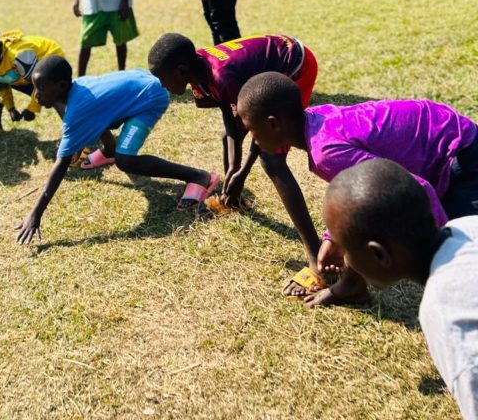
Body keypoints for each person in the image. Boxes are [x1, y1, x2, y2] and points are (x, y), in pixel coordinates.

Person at [236, 72, 478, 307]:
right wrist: (334, 237)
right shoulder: (317, 120)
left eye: (252, 130)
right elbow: (360, 197)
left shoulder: (326, 151)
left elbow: (414, 188)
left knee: (463, 255)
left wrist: (443, 260)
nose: (253, 139)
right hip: (443, 132)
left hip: (461, 153)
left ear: (273, 124)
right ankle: (351, 287)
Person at [147, 31, 320, 283]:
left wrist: (243, 171)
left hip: (295, 64)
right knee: (227, 138)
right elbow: (229, 116)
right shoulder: (198, 69)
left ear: (181, 71)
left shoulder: (220, 76)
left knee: (272, 160)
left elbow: (259, 129)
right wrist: (232, 169)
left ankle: (315, 254)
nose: (162, 86)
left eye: (162, 79)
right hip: (268, 63)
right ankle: (234, 198)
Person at [323, 159, 478, 417]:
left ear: (379, 255)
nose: (346, 260)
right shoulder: (467, 226)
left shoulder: (447, 313)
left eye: (346, 250)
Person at [16, 56, 219, 243]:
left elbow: (61, 165)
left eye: (41, 89)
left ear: (61, 86)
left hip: (151, 97)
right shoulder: (78, 88)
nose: (36, 95)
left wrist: (35, 214)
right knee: (101, 115)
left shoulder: (77, 111)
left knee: (125, 160)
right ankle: (110, 149)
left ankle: (198, 176)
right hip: (140, 80)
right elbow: (97, 115)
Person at [0, 26, 66, 137]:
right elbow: (1, 87)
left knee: (54, 96)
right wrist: (11, 108)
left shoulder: (19, 57)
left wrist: (32, 109)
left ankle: (76, 133)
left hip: (51, 60)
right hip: (25, 74)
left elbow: (40, 85)